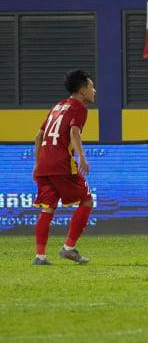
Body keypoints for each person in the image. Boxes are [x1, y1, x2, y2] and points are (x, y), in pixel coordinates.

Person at [32, 70, 97, 266]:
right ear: (83, 90)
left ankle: (40, 256)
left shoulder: (57, 106)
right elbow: (74, 132)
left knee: (47, 210)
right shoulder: (79, 107)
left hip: (43, 166)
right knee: (86, 201)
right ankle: (68, 248)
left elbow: (38, 136)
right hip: (62, 164)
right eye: (92, 86)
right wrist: (82, 157)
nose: (95, 90)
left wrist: (37, 163)